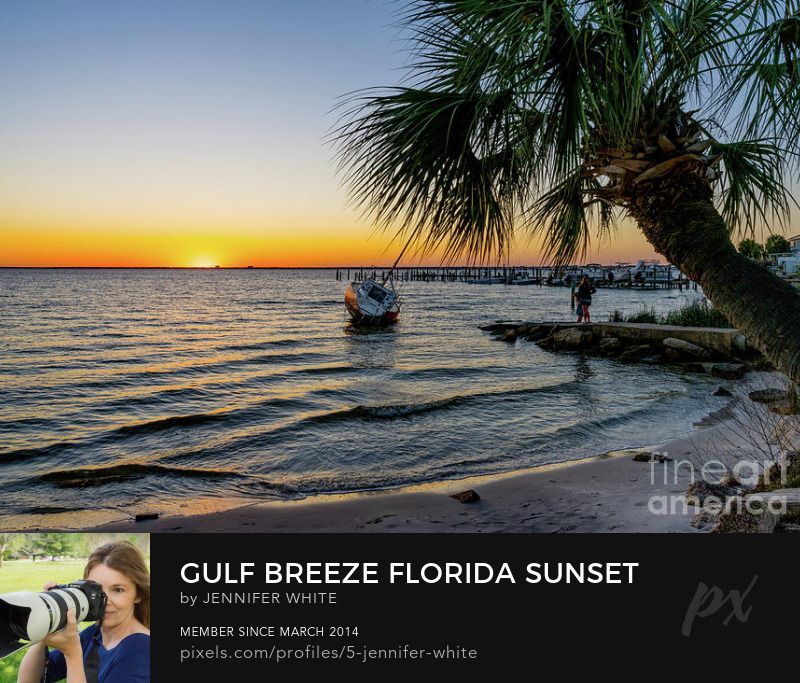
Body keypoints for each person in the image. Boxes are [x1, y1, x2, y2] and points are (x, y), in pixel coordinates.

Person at [17, 541, 150, 683]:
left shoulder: (141, 649)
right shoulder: (94, 635)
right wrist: (47, 623)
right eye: (96, 590)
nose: (104, 601)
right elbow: (29, 680)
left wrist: (72, 654)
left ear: (138, 594)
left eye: (118, 590)